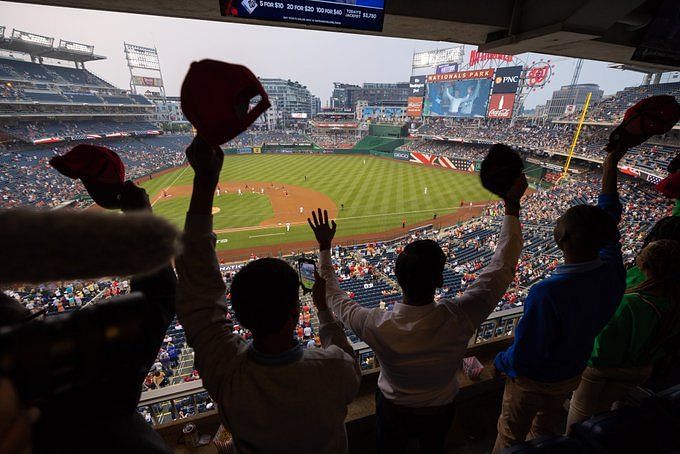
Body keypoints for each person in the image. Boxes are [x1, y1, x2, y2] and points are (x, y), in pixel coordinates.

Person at [309, 170, 525, 454]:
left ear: (398, 277)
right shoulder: (460, 316)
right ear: (439, 280)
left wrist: (324, 247)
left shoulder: (376, 323)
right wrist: (511, 206)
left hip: (393, 409)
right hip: (441, 409)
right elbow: (502, 269)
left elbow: (334, 297)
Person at [175, 136, 361, 454]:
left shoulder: (227, 373)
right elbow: (350, 364)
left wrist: (204, 181)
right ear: (296, 311)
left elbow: (200, 305)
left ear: (241, 316)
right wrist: (324, 309)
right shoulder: (332, 370)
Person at [492, 146, 628, 453]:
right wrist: (609, 163)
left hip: (534, 382)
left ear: (562, 238)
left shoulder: (548, 292)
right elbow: (609, 219)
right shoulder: (612, 270)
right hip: (573, 372)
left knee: (510, 437)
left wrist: (500, 362)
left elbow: (525, 355)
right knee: (547, 433)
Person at [566, 239, 680, 428]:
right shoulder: (673, 297)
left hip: (601, 368)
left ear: (646, 263)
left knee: (581, 411)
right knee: (606, 410)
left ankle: (579, 444)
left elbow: (602, 346)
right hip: (642, 367)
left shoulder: (631, 303)